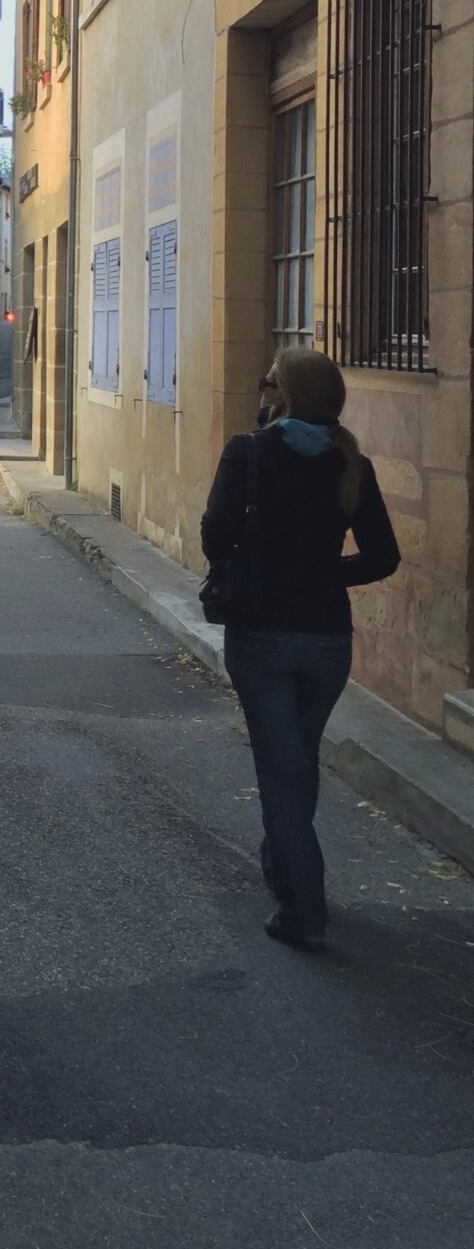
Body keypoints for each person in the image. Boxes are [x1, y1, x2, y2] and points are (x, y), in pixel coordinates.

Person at [201, 348, 399, 953]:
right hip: (328, 643)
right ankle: (281, 862)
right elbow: (382, 556)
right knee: (297, 761)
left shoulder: (249, 452)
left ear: (281, 396)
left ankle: (302, 908)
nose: (261, 392)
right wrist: (321, 572)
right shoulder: (351, 464)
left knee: (282, 770)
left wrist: (269, 564)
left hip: (262, 636)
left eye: (268, 384)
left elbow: (214, 537)